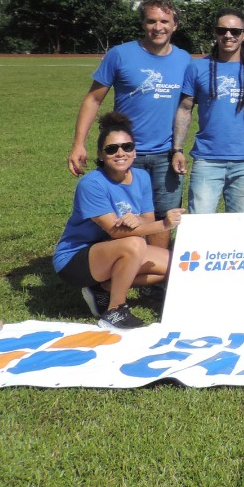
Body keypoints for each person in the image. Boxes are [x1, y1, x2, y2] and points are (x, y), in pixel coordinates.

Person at [68, 0, 191, 245]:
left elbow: (186, 107)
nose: (158, 27)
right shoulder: (120, 54)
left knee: (162, 215)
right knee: (123, 216)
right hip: (122, 153)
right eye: (151, 21)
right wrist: (79, 143)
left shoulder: (184, 59)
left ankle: (153, 276)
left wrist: (178, 149)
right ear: (143, 24)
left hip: (164, 154)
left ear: (175, 25)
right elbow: (93, 99)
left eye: (165, 21)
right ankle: (114, 266)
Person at [55, 112, 181, 329]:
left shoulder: (141, 177)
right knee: (135, 244)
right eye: (112, 149)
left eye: (127, 147)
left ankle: (103, 288)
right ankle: (114, 311)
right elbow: (116, 232)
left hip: (115, 249)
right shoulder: (91, 184)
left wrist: (137, 220)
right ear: (101, 155)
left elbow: (146, 219)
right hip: (76, 258)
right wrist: (164, 224)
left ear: (134, 150)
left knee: (175, 263)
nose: (120, 153)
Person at [172, 9, 244, 214]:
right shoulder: (197, 68)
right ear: (215, 33)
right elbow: (185, 109)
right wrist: (177, 149)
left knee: (240, 225)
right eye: (222, 30)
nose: (228, 35)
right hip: (208, 158)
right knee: (200, 221)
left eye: (234, 30)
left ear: (243, 34)